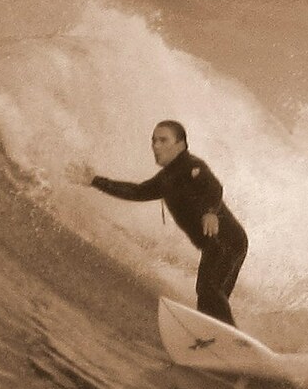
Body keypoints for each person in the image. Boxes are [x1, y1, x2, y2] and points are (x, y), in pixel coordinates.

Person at [69, 121, 249, 326]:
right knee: (208, 300)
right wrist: (95, 181)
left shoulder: (192, 166)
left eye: (163, 140)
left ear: (180, 144)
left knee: (209, 290)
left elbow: (213, 187)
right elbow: (136, 192)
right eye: (153, 140)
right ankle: (215, 340)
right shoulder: (165, 179)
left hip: (228, 241)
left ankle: (231, 340)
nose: (156, 145)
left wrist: (210, 212)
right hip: (216, 247)